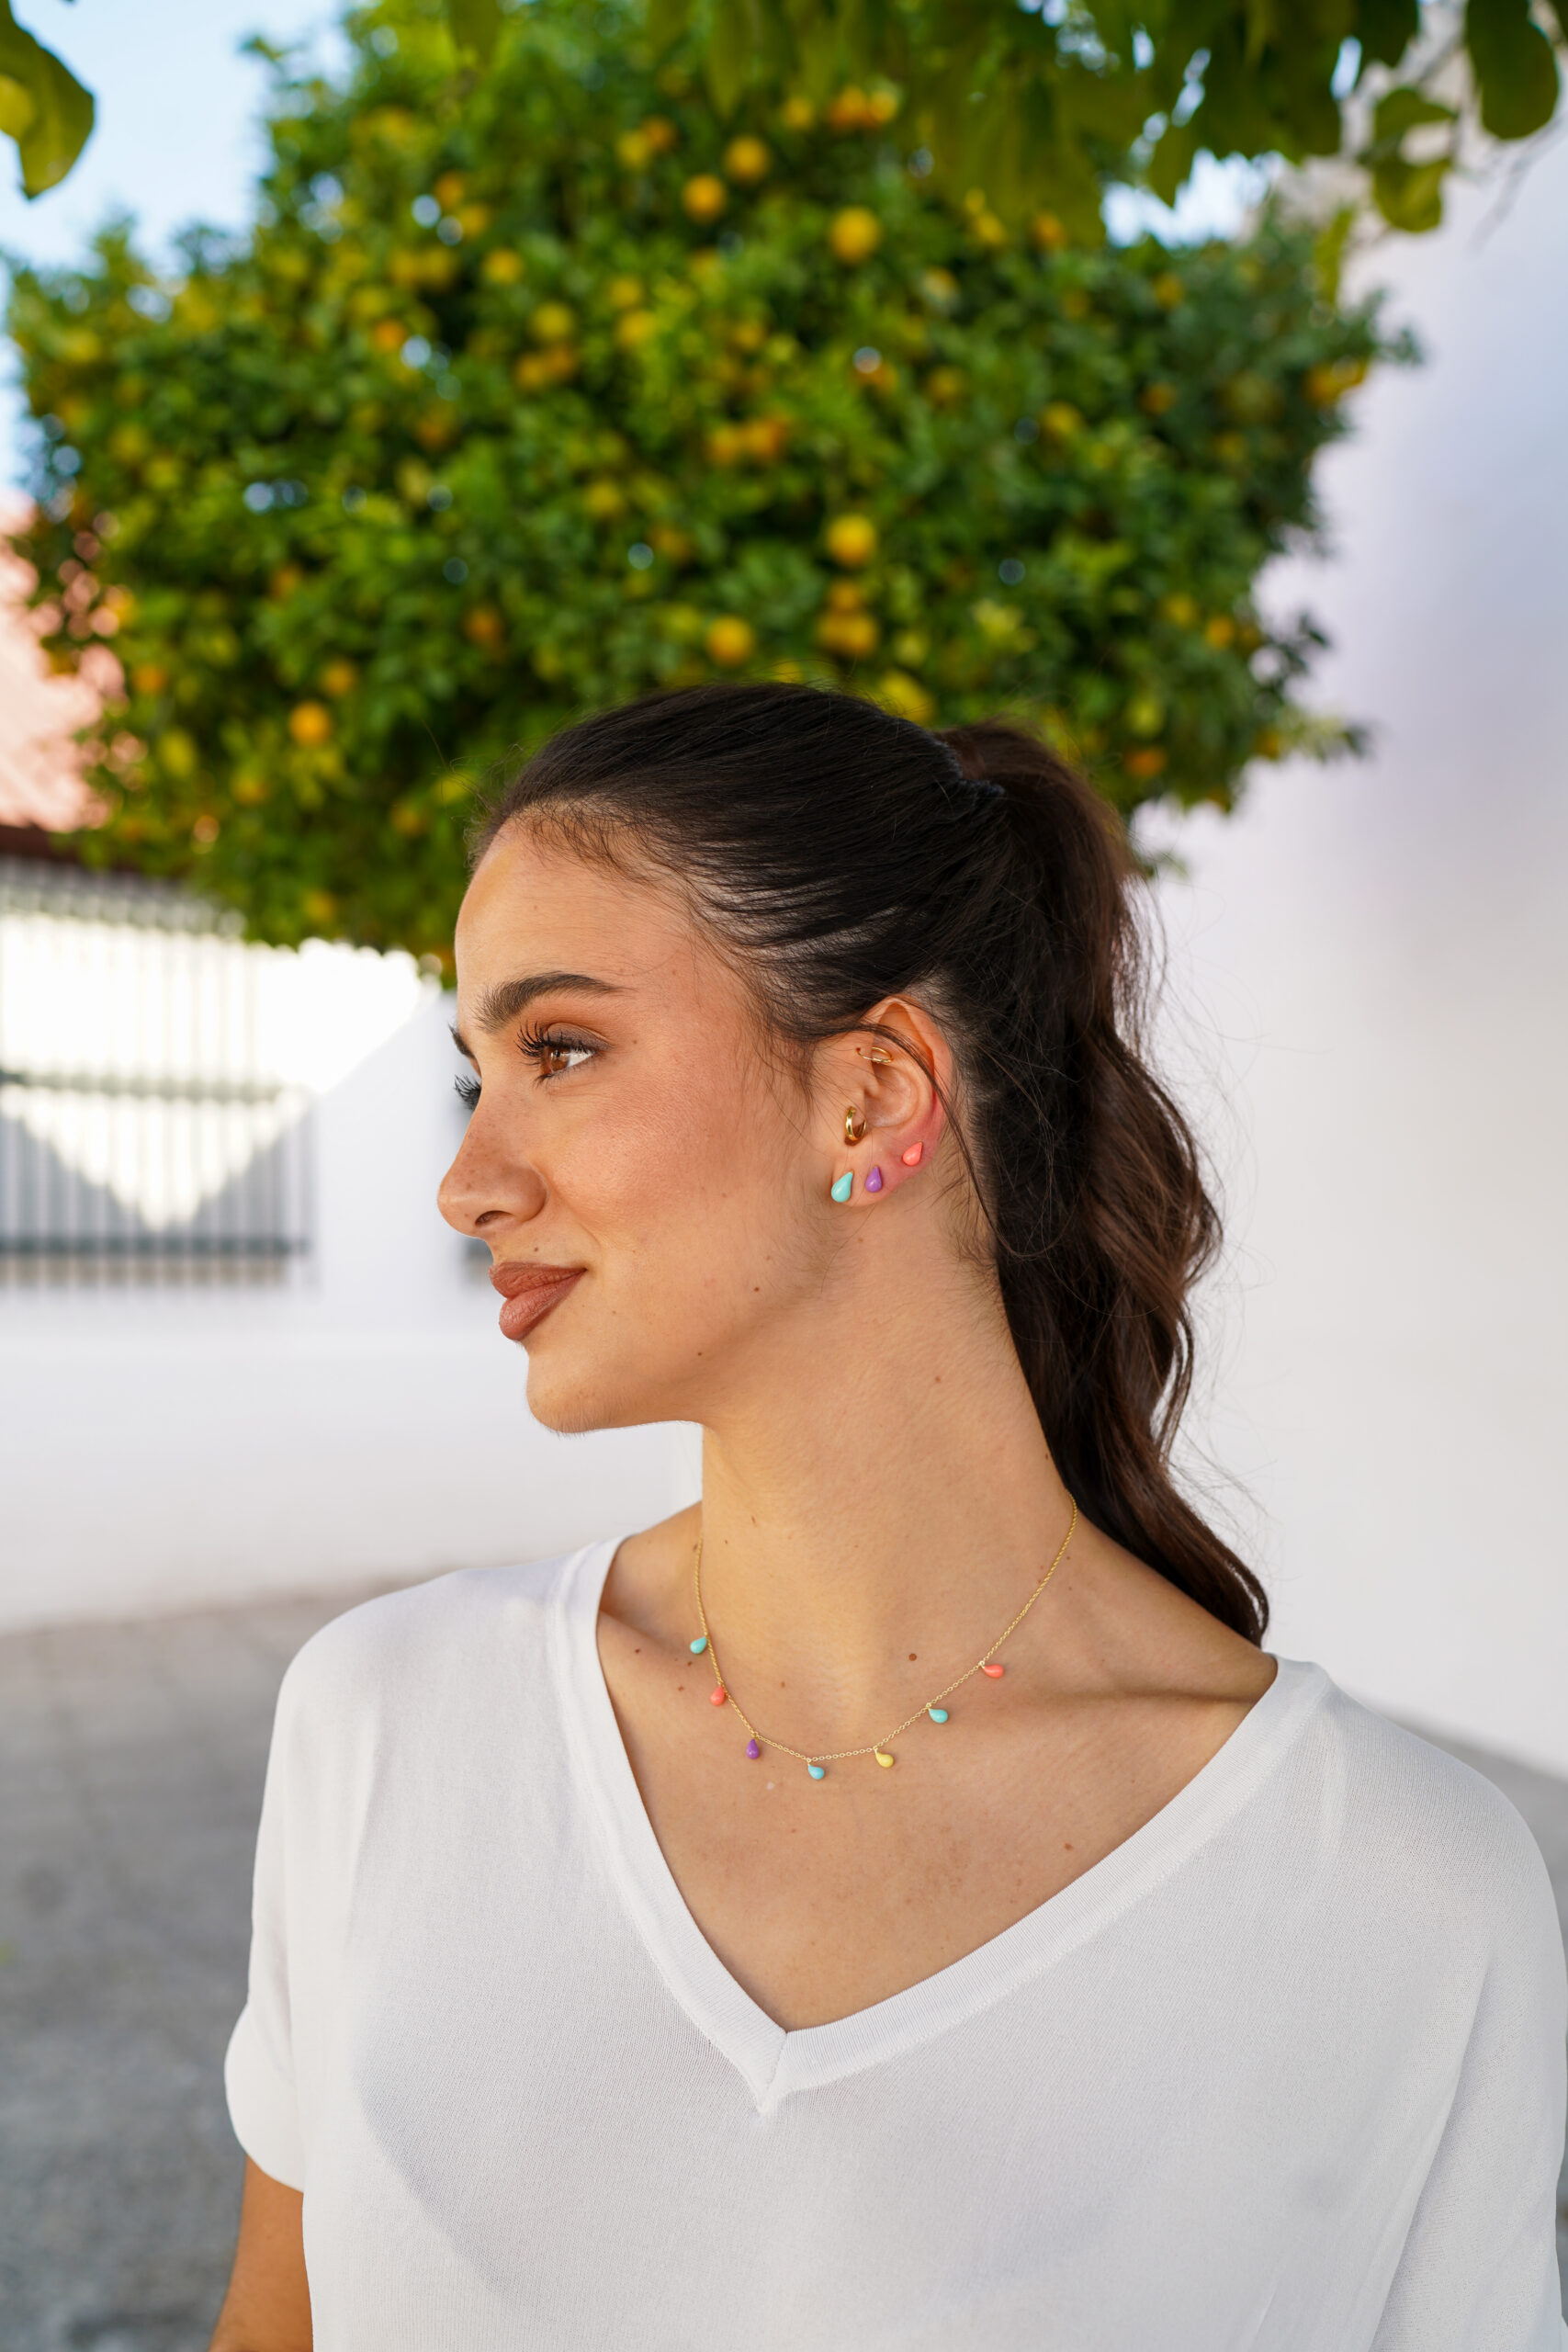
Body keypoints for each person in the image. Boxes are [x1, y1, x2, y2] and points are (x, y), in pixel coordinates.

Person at [210, 684, 1567, 2352]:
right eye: (475, 1075)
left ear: (870, 1097)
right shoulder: (384, 1724)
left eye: (558, 1050)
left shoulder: (1404, 1901)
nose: (466, 1181)